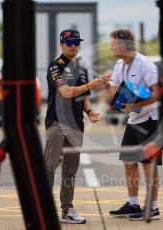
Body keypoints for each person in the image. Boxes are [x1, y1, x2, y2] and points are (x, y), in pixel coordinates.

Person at [43, 29, 103, 224]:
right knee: (49, 166)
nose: (74, 46)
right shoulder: (55, 66)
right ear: (62, 44)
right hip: (57, 123)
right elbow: (66, 92)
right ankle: (43, 207)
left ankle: (67, 209)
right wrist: (89, 87)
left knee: (70, 170)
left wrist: (90, 111)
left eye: (77, 42)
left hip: (76, 125)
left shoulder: (83, 70)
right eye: (70, 42)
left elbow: (84, 98)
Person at [104, 29, 161, 220]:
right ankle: (133, 203)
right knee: (129, 162)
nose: (111, 47)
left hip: (150, 119)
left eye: (113, 43)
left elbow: (157, 93)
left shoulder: (146, 65)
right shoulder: (120, 65)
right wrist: (106, 84)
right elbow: (112, 97)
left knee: (148, 164)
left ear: (122, 45)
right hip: (134, 119)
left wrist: (135, 105)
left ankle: (153, 207)